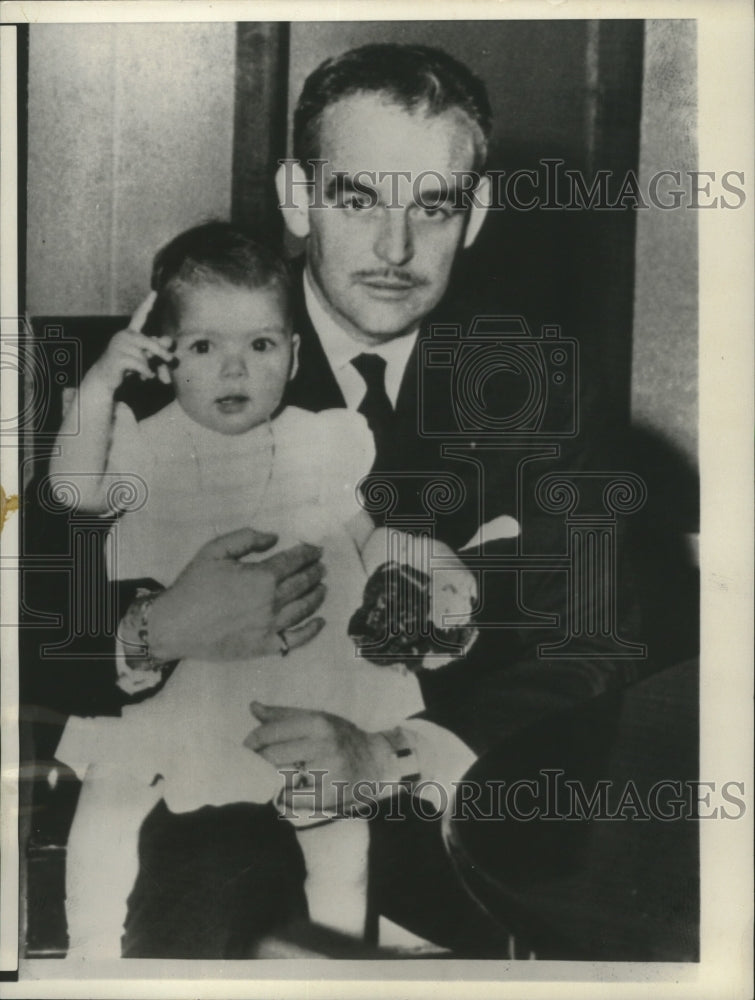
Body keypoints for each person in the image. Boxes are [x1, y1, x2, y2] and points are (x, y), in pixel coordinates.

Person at [38, 43, 645, 957]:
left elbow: (595, 640)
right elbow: (24, 620)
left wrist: (392, 756)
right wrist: (153, 630)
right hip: (201, 851)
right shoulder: (161, 367)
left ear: (473, 213)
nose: (395, 249)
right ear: (296, 196)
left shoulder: (542, 385)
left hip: (458, 872)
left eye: (431, 206)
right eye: (357, 199)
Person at [49, 222, 468, 955]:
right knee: (109, 811)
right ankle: (90, 957)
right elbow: (72, 491)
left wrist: (418, 569)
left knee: (340, 837)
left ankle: (338, 958)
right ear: (165, 357)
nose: (234, 370)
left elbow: (366, 533)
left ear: (292, 353)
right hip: (179, 687)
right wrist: (100, 382)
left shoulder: (320, 440)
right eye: (205, 347)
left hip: (307, 682)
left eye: (260, 346)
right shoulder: (143, 445)